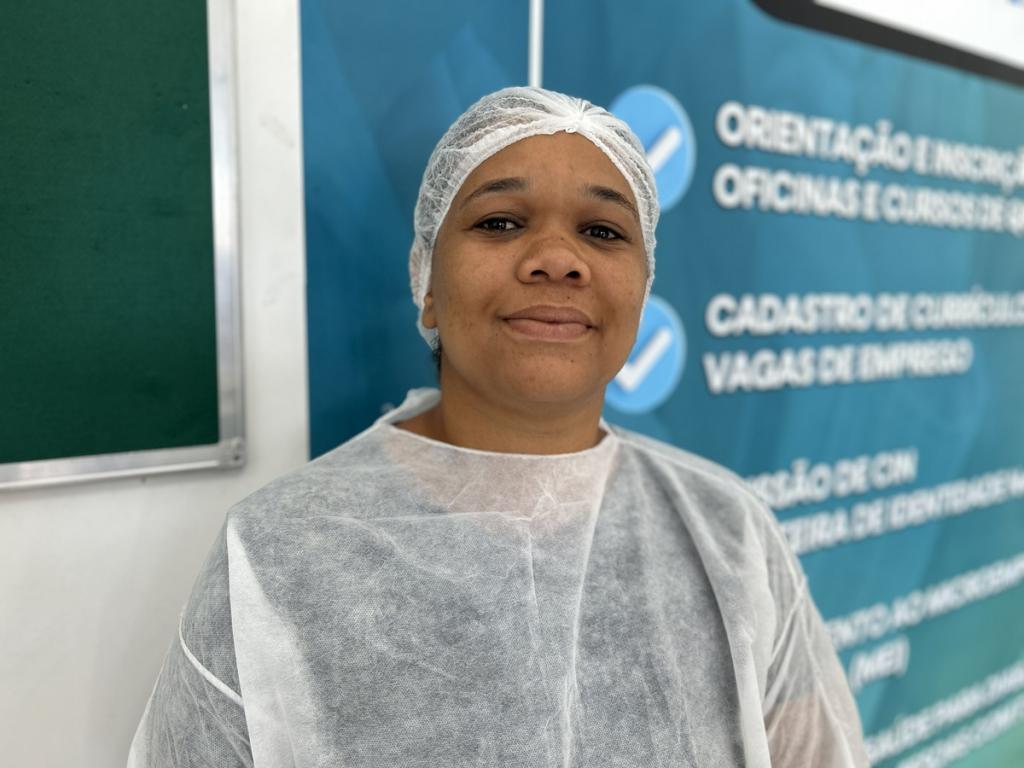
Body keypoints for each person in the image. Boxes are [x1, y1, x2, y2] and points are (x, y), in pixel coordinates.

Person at [128, 86, 869, 767]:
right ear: (427, 282)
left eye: (602, 231)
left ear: (642, 291)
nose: (557, 260)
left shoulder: (730, 535)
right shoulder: (277, 555)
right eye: (501, 222)